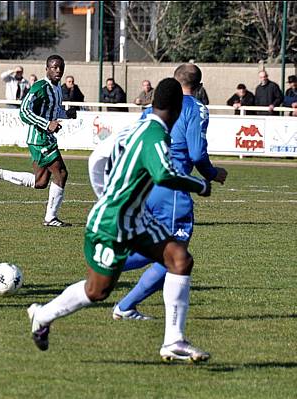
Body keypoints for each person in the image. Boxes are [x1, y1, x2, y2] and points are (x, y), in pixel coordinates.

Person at [27, 77, 214, 363]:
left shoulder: (140, 127)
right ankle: (43, 316)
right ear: (177, 109)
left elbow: (97, 158)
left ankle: (173, 341)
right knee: (97, 290)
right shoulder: (154, 135)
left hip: (134, 219)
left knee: (179, 259)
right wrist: (199, 185)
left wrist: (104, 192)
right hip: (111, 224)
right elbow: (164, 174)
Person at [110, 63, 227, 321]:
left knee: (155, 247)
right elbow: (196, 153)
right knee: (175, 256)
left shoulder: (152, 109)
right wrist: (212, 173)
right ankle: (125, 302)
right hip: (170, 189)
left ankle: (110, 263)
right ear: (200, 86)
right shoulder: (196, 108)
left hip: (143, 183)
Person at [0, 55, 77, 227]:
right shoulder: (40, 87)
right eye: (54, 67)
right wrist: (47, 124)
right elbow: (24, 111)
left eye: (60, 67)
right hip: (39, 139)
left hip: (45, 138)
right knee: (61, 173)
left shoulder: (56, 89)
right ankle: (50, 218)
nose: (58, 70)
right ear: (46, 69)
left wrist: (66, 114)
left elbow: (51, 112)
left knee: (40, 182)